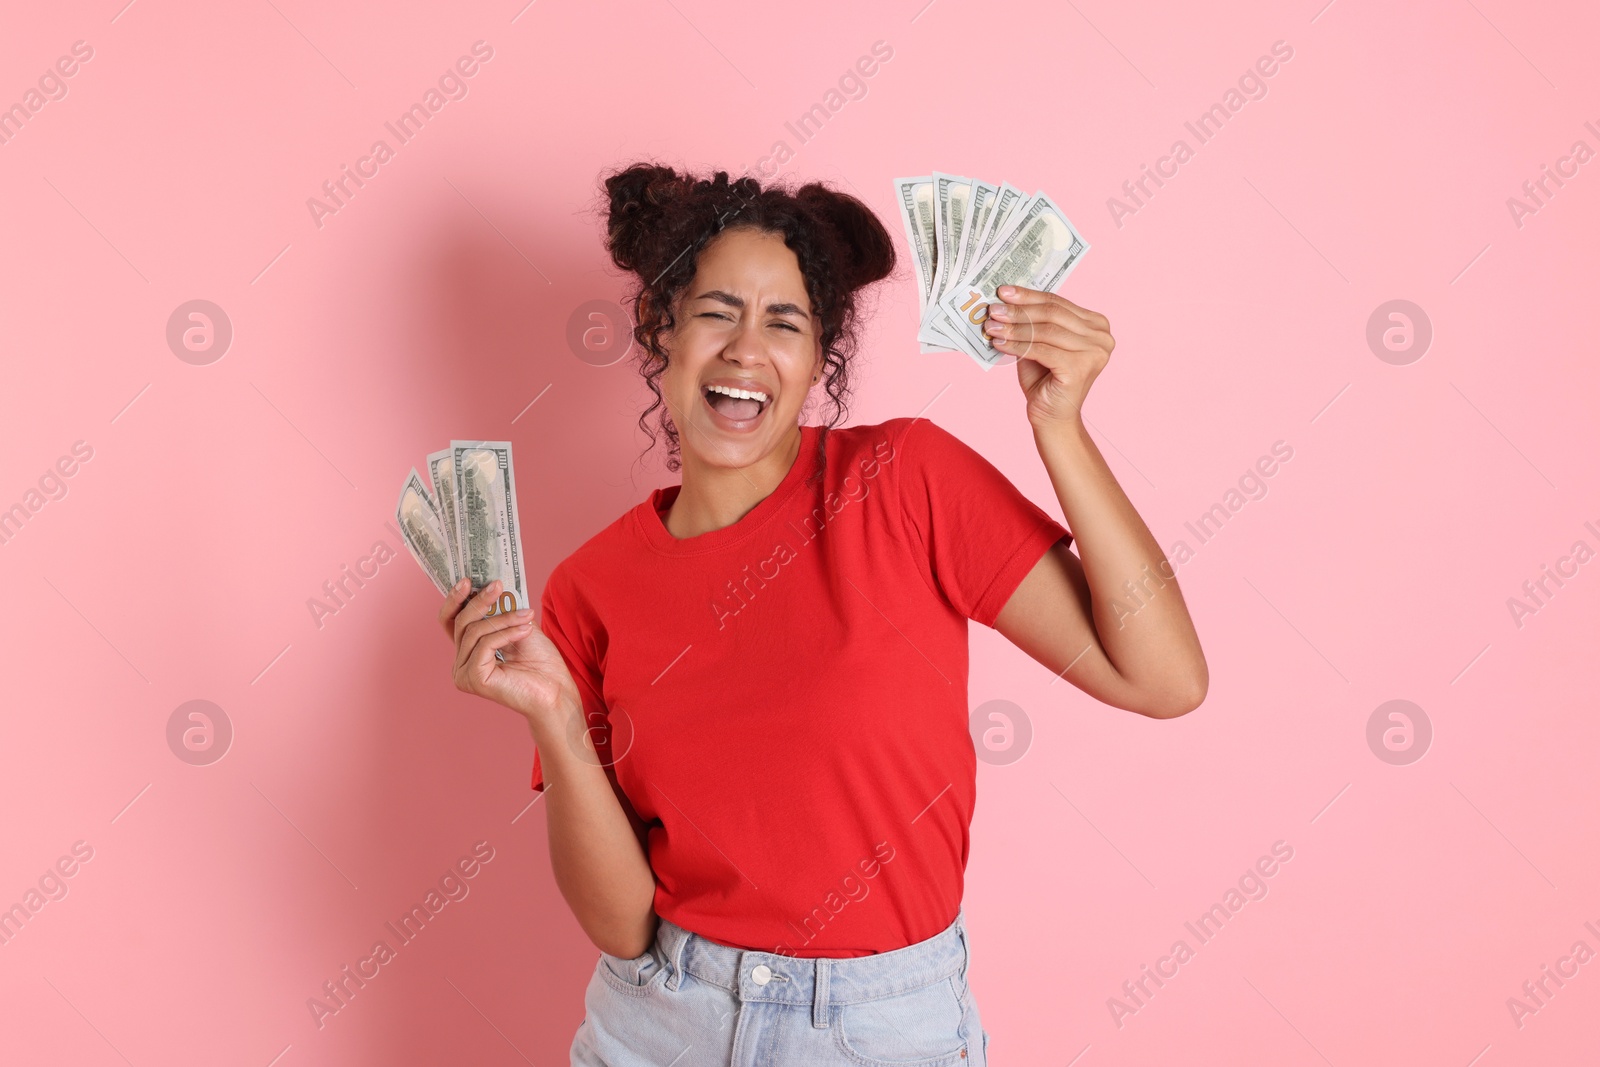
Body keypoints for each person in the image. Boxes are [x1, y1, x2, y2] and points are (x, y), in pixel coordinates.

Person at [438, 164, 1207, 1065]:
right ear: (662, 328)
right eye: (718, 311)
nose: (745, 350)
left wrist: (1060, 425)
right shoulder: (588, 586)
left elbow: (1165, 678)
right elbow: (621, 923)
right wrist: (557, 722)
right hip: (660, 1024)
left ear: (818, 356)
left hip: (883, 1027)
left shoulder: (905, 482)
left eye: (786, 322)